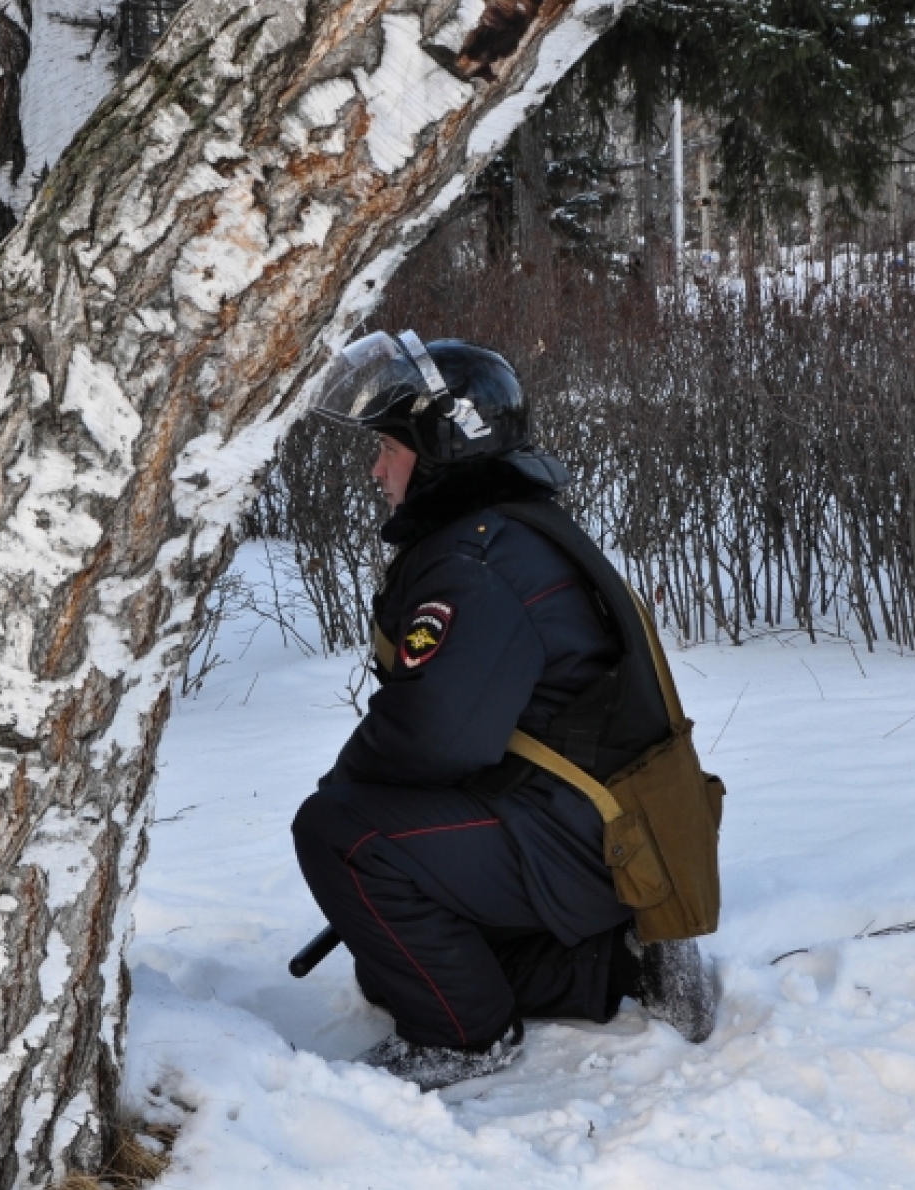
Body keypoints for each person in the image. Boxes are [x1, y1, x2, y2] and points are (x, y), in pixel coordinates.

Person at [290, 330, 716, 1091]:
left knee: (339, 836)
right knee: (391, 963)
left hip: (589, 837)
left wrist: (344, 794)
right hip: (600, 826)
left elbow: (433, 736)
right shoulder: (507, 530)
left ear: (441, 450)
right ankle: (613, 967)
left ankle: (460, 1038)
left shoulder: (475, 565)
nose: (377, 466)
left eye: (390, 445)